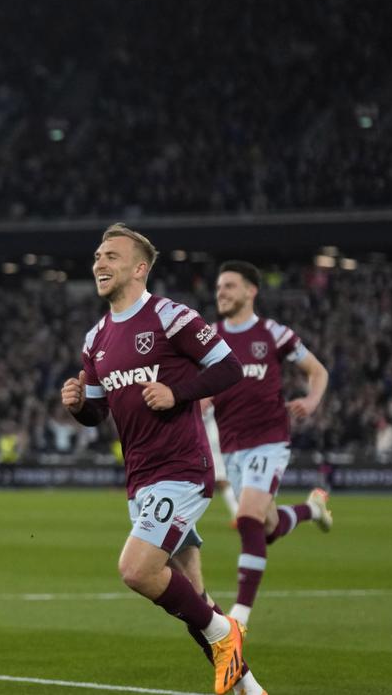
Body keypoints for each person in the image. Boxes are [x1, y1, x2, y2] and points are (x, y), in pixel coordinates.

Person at [60, 224, 262, 695]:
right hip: (142, 479)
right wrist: (78, 406)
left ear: (139, 268)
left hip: (182, 469)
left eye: (111, 255)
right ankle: (249, 689)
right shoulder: (96, 339)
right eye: (96, 256)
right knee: (193, 593)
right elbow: (96, 412)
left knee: (137, 569)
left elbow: (229, 366)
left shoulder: (170, 317)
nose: (99, 263)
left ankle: (223, 631)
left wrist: (177, 392)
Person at [210, 260, 333, 628]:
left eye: (230, 286)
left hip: (269, 440)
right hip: (231, 445)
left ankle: (239, 618)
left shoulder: (273, 333)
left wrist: (311, 402)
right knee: (266, 527)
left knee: (247, 518)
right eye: (219, 287)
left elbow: (318, 371)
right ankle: (312, 509)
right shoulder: (210, 338)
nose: (222, 293)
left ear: (251, 291)